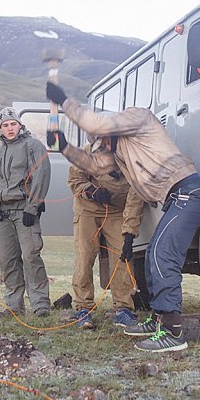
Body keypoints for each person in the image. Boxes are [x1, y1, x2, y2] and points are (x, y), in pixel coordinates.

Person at [46, 82, 200, 352]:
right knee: (151, 257)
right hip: (174, 199)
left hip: (188, 191)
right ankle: (157, 319)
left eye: (102, 144)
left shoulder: (139, 118)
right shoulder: (120, 154)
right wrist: (64, 146)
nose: (103, 151)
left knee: (162, 257)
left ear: (109, 131)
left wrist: (64, 102)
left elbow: (96, 125)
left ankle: (172, 332)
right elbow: (92, 164)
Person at [0, 106, 52, 317]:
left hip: (24, 211)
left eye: (13, 124)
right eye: (5, 125)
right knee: (8, 260)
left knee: (31, 256)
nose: (10, 128)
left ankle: (40, 304)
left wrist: (32, 207)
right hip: (2, 214)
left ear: (20, 125)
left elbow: (42, 175)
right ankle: (14, 306)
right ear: (0, 128)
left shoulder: (33, 146)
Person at [68, 139, 143, 331]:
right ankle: (82, 308)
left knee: (122, 256)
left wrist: (129, 234)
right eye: (106, 141)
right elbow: (75, 180)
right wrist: (91, 191)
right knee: (84, 256)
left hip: (117, 211)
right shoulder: (86, 152)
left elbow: (135, 200)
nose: (109, 146)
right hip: (87, 209)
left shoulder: (134, 160)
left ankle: (123, 308)